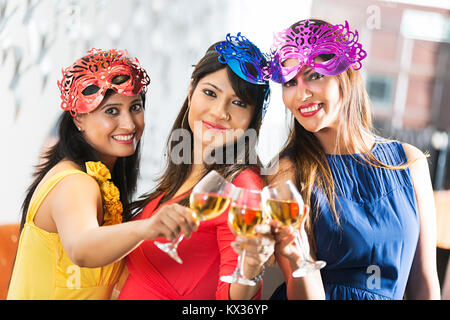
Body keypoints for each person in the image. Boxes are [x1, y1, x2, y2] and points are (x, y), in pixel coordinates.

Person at [265, 19, 441, 300]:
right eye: (289, 82)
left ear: (345, 75)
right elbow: (299, 285)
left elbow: (425, 287)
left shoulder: (410, 162)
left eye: (313, 75)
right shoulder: (286, 172)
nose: (301, 93)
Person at [7, 48, 198, 300]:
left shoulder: (98, 178)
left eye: (136, 107)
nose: (129, 124)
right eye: (111, 111)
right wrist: (146, 228)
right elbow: (82, 247)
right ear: (79, 118)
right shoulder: (75, 182)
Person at [118, 33, 274, 300]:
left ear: (253, 117)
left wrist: (250, 270)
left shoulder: (242, 186)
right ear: (191, 91)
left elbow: (234, 298)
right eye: (210, 93)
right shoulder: (181, 175)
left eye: (238, 103)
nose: (219, 112)